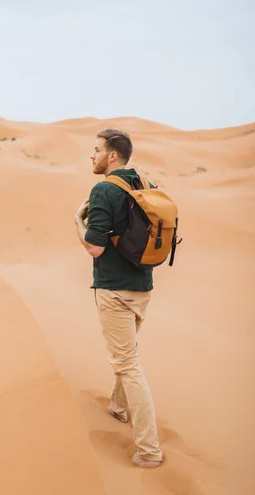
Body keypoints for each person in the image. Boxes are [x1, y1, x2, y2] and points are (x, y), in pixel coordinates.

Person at [74, 127, 163, 468]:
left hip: (115, 291)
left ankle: (149, 451)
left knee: (128, 365)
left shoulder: (104, 190)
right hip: (143, 287)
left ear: (112, 155)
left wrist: (75, 221)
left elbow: (95, 247)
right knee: (127, 355)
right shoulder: (145, 184)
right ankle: (118, 406)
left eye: (96, 150)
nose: (92, 156)